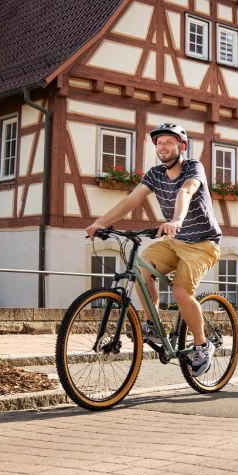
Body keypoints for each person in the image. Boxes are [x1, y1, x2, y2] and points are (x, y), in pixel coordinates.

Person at [84, 123, 221, 376]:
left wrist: (176, 220)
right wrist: (100, 223)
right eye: (159, 143)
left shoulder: (193, 167)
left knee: (180, 291)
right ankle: (153, 325)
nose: (163, 147)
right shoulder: (155, 174)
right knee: (140, 268)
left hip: (203, 243)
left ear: (182, 146)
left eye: (169, 142)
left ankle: (203, 345)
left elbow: (187, 190)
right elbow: (131, 200)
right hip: (175, 241)